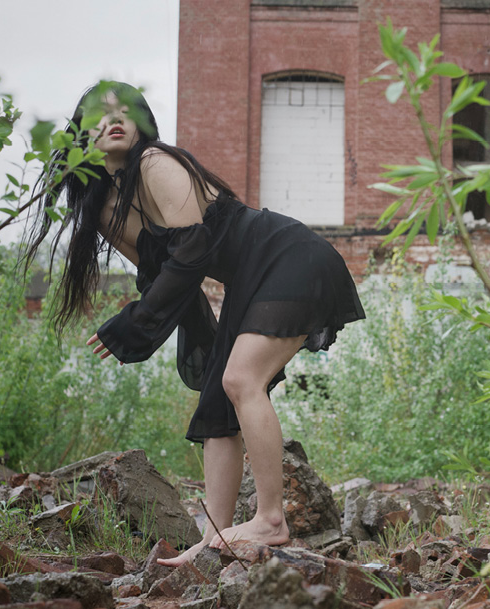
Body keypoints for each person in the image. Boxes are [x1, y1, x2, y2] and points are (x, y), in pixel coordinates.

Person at [23, 82, 365, 566]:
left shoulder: (155, 162)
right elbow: (165, 277)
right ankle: (215, 538)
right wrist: (199, 341)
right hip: (250, 278)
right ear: (81, 134)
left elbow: (191, 254)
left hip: (287, 254)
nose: (114, 120)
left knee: (240, 380)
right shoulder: (104, 208)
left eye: (126, 111)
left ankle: (271, 518)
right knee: (218, 398)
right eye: (99, 116)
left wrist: (136, 324)